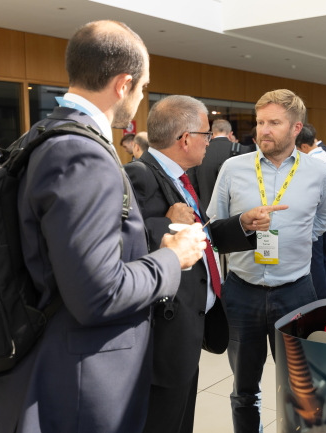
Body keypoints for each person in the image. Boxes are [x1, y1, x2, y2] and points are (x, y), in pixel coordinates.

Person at [0, 20, 208, 433]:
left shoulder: (43, 135)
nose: (142, 97)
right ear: (123, 83)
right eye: (143, 87)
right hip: (75, 387)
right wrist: (173, 257)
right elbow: (98, 294)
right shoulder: (81, 154)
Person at [124, 95, 275, 433]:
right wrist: (165, 225)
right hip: (165, 333)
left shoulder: (180, 179)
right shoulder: (139, 177)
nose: (210, 142)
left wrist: (241, 225)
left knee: (181, 418)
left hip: (188, 325)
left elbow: (200, 236)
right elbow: (121, 245)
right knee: (164, 420)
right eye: (207, 135)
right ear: (186, 138)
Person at [207, 89, 326, 433]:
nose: (264, 130)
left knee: (301, 388)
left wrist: (298, 237)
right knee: (244, 390)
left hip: (296, 293)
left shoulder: (318, 172)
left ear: (296, 128)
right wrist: (242, 226)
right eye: (260, 122)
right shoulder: (233, 168)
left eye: (274, 123)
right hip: (241, 293)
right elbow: (215, 226)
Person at [295, 126, 326, 299]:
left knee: (316, 259)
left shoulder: (313, 162)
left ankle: (319, 298)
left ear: (303, 146)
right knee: (324, 257)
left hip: (315, 216)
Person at [187, 119, 238, 202]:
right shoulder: (244, 150)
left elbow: (192, 185)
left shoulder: (198, 151)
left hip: (205, 208)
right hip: (235, 210)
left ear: (212, 134)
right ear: (231, 134)